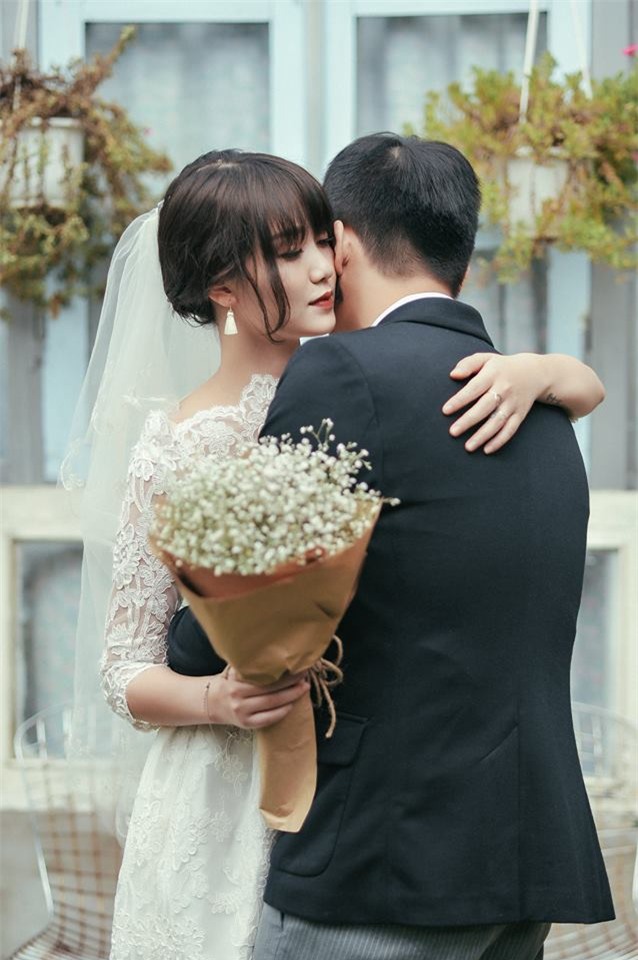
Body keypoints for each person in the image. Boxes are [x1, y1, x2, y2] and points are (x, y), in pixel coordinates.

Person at [66, 146, 605, 960]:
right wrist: (217, 699)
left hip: (352, 822)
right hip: (231, 797)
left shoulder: (361, 387)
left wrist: (550, 370)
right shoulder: (184, 442)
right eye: (290, 252)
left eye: (323, 240)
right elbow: (129, 665)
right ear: (222, 289)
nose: (323, 265)